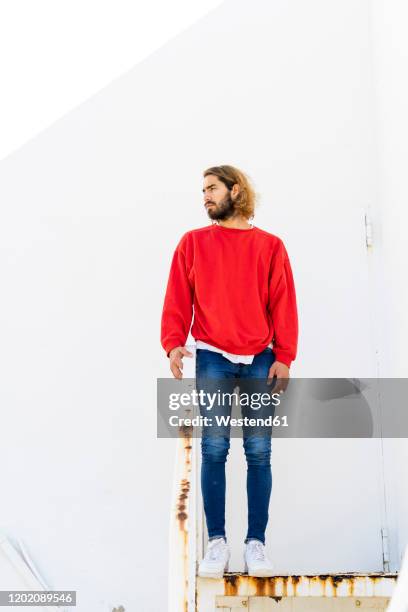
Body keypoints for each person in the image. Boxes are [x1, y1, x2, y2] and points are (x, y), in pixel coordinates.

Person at [160, 165, 298, 578]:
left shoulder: (270, 246)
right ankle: (216, 543)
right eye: (202, 190)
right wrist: (172, 342)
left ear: (235, 190)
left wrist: (285, 356)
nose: (204, 196)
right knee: (215, 449)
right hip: (212, 356)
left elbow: (283, 302)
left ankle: (256, 544)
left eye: (211, 188)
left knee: (259, 452)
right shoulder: (193, 244)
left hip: (260, 356)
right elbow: (177, 295)